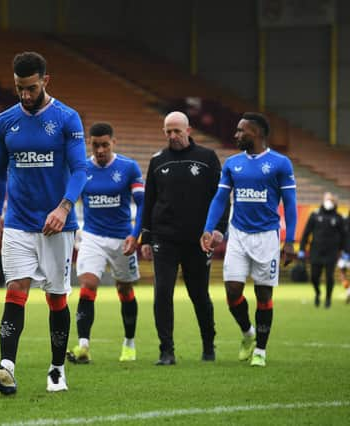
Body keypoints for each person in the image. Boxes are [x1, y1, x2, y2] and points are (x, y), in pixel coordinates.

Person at [0, 51, 87, 394]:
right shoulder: (5, 121)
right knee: (15, 290)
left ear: (45, 81)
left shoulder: (67, 119)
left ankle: (56, 369)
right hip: (19, 223)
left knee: (56, 298)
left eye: (32, 88)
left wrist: (65, 208)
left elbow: (80, 170)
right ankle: (7, 368)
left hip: (56, 225)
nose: (25, 94)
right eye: (20, 88)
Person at [201, 112, 297, 368]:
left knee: (263, 294)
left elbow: (289, 203)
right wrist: (209, 228)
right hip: (238, 235)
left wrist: (290, 241)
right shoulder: (232, 164)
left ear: (256, 133)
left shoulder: (280, 163)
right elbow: (220, 199)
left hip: (267, 236)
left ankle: (261, 351)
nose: (236, 135)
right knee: (232, 291)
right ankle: (248, 334)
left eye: (241, 130)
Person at [140, 111, 227, 366]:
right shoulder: (157, 161)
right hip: (164, 239)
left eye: (177, 131)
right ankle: (166, 351)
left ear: (188, 130)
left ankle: (208, 345)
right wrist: (146, 237)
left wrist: (219, 228)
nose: (172, 136)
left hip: (198, 239)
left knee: (199, 294)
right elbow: (150, 201)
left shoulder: (207, 158)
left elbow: (221, 197)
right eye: (168, 131)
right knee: (162, 293)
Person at [66, 122, 144, 364]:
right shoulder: (82, 169)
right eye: (95, 145)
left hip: (122, 238)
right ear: (90, 144)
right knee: (88, 285)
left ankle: (129, 343)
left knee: (125, 290)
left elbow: (142, 203)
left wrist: (136, 233)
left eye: (104, 145)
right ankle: (83, 346)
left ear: (113, 143)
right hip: (92, 237)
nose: (100, 150)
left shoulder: (128, 167)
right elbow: (68, 199)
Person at [298, 192, 346, 308]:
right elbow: (306, 233)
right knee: (314, 276)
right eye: (326, 199)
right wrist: (302, 249)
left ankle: (328, 298)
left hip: (331, 252)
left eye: (330, 199)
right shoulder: (314, 215)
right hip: (316, 251)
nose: (328, 201)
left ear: (334, 201)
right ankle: (318, 293)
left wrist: (345, 251)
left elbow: (344, 236)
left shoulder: (338, 217)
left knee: (329, 277)